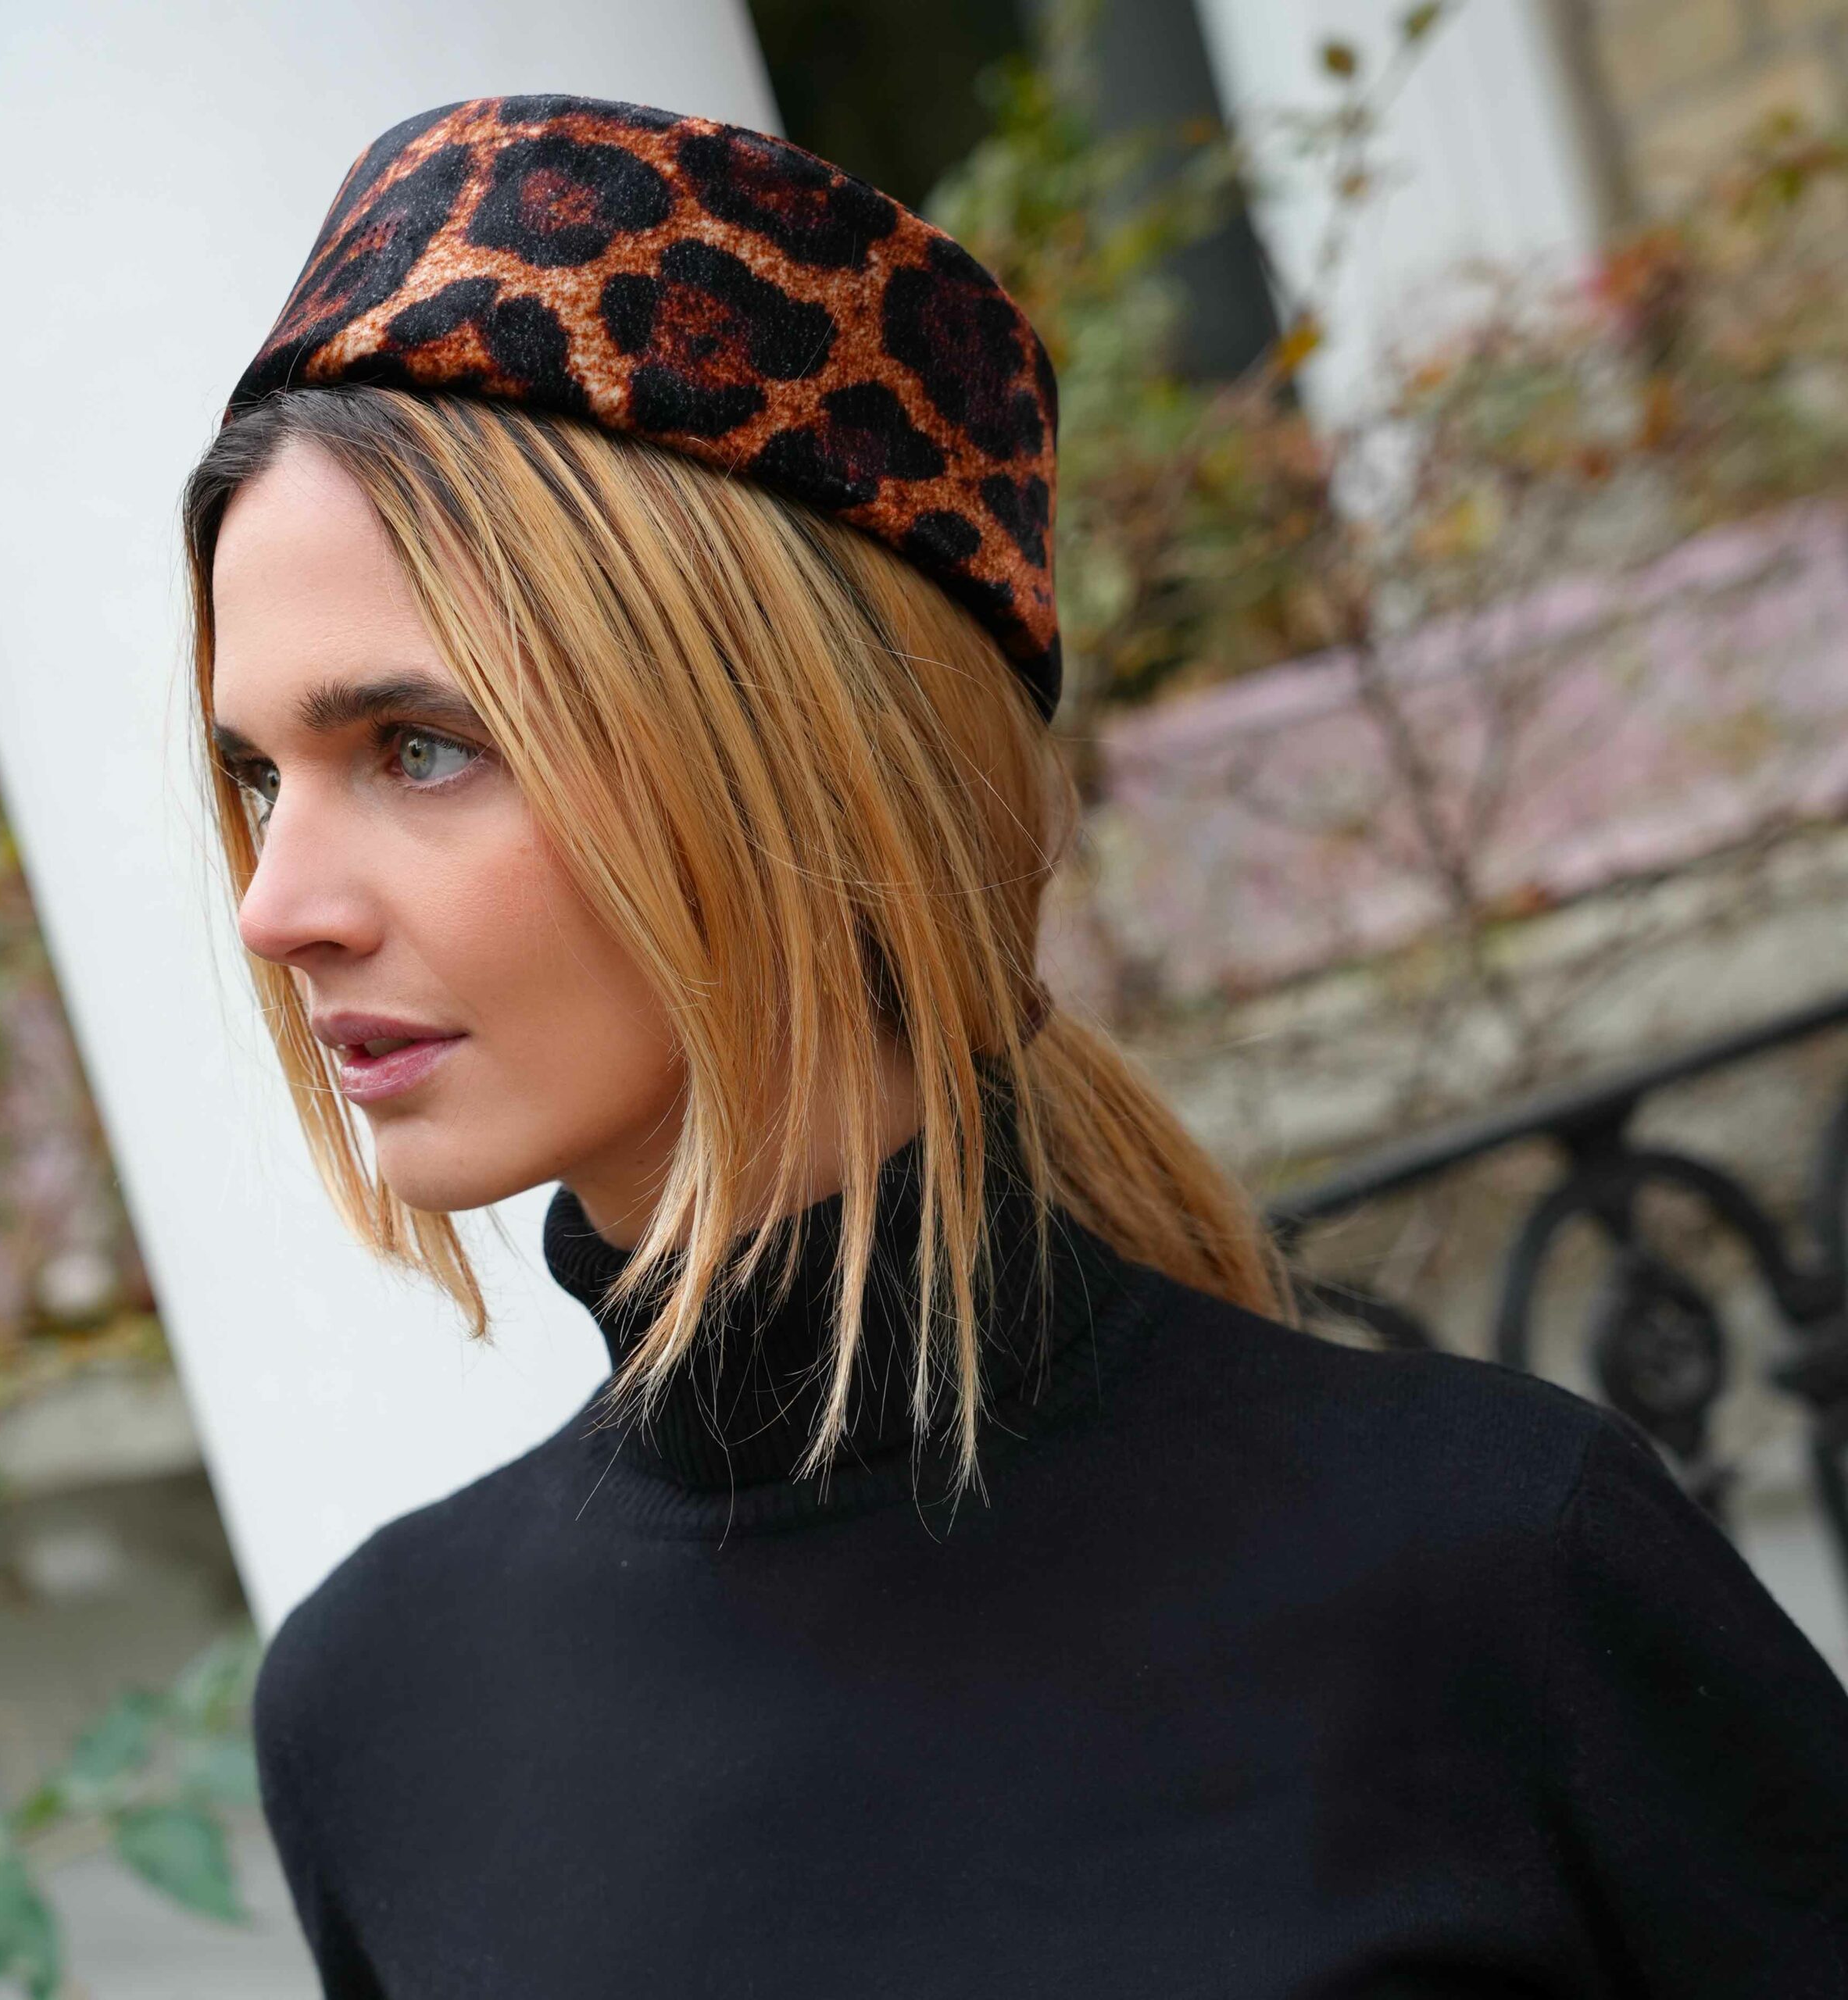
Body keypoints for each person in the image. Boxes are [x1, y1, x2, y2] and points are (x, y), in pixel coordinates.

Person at [184, 95, 1848, 1998]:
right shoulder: (382, 1711)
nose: (276, 903)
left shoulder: (1489, 1562)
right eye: (259, 775)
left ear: (791, 752)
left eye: (418, 746)